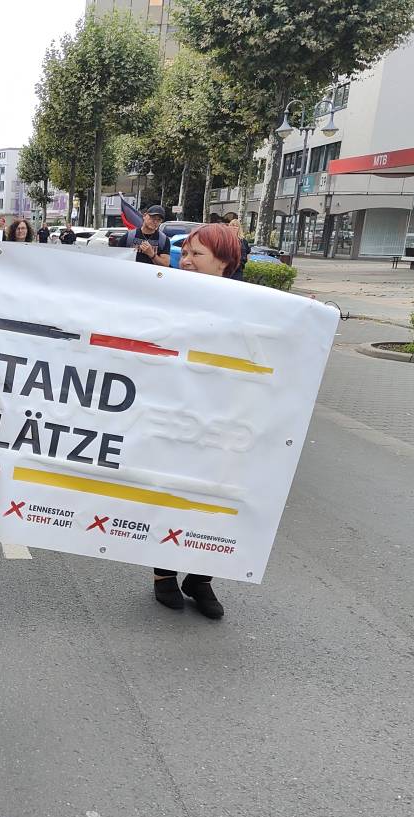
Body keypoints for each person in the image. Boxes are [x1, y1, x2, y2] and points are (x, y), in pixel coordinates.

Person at [151, 222, 244, 620]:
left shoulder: (253, 304)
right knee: (173, 492)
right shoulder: (168, 297)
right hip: (176, 414)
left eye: (196, 254)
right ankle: (164, 574)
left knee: (217, 497)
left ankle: (201, 577)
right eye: (184, 253)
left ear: (224, 261)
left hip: (227, 418)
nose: (185, 260)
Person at [222, 211, 252, 280]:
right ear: (229, 227)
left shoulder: (243, 241)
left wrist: (243, 262)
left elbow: (248, 253)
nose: (234, 227)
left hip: (238, 270)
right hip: (226, 268)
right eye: (232, 225)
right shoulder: (225, 239)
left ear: (239, 228)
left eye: (236, 226)